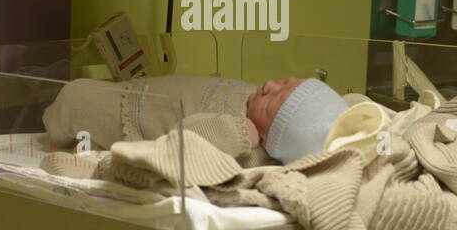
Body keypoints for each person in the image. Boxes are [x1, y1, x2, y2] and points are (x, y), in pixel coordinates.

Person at [42, 72, 350, 165]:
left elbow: (183, 141)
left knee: (74, 98)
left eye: (271, 102)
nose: (269, 85)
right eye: (285, 81)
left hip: (134, 117)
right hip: (145, 88)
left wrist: (239, 134)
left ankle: (58, 129)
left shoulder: (249, 147)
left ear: (268, 139)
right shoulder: (262, 101)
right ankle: (86, 139)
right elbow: (348, 107)